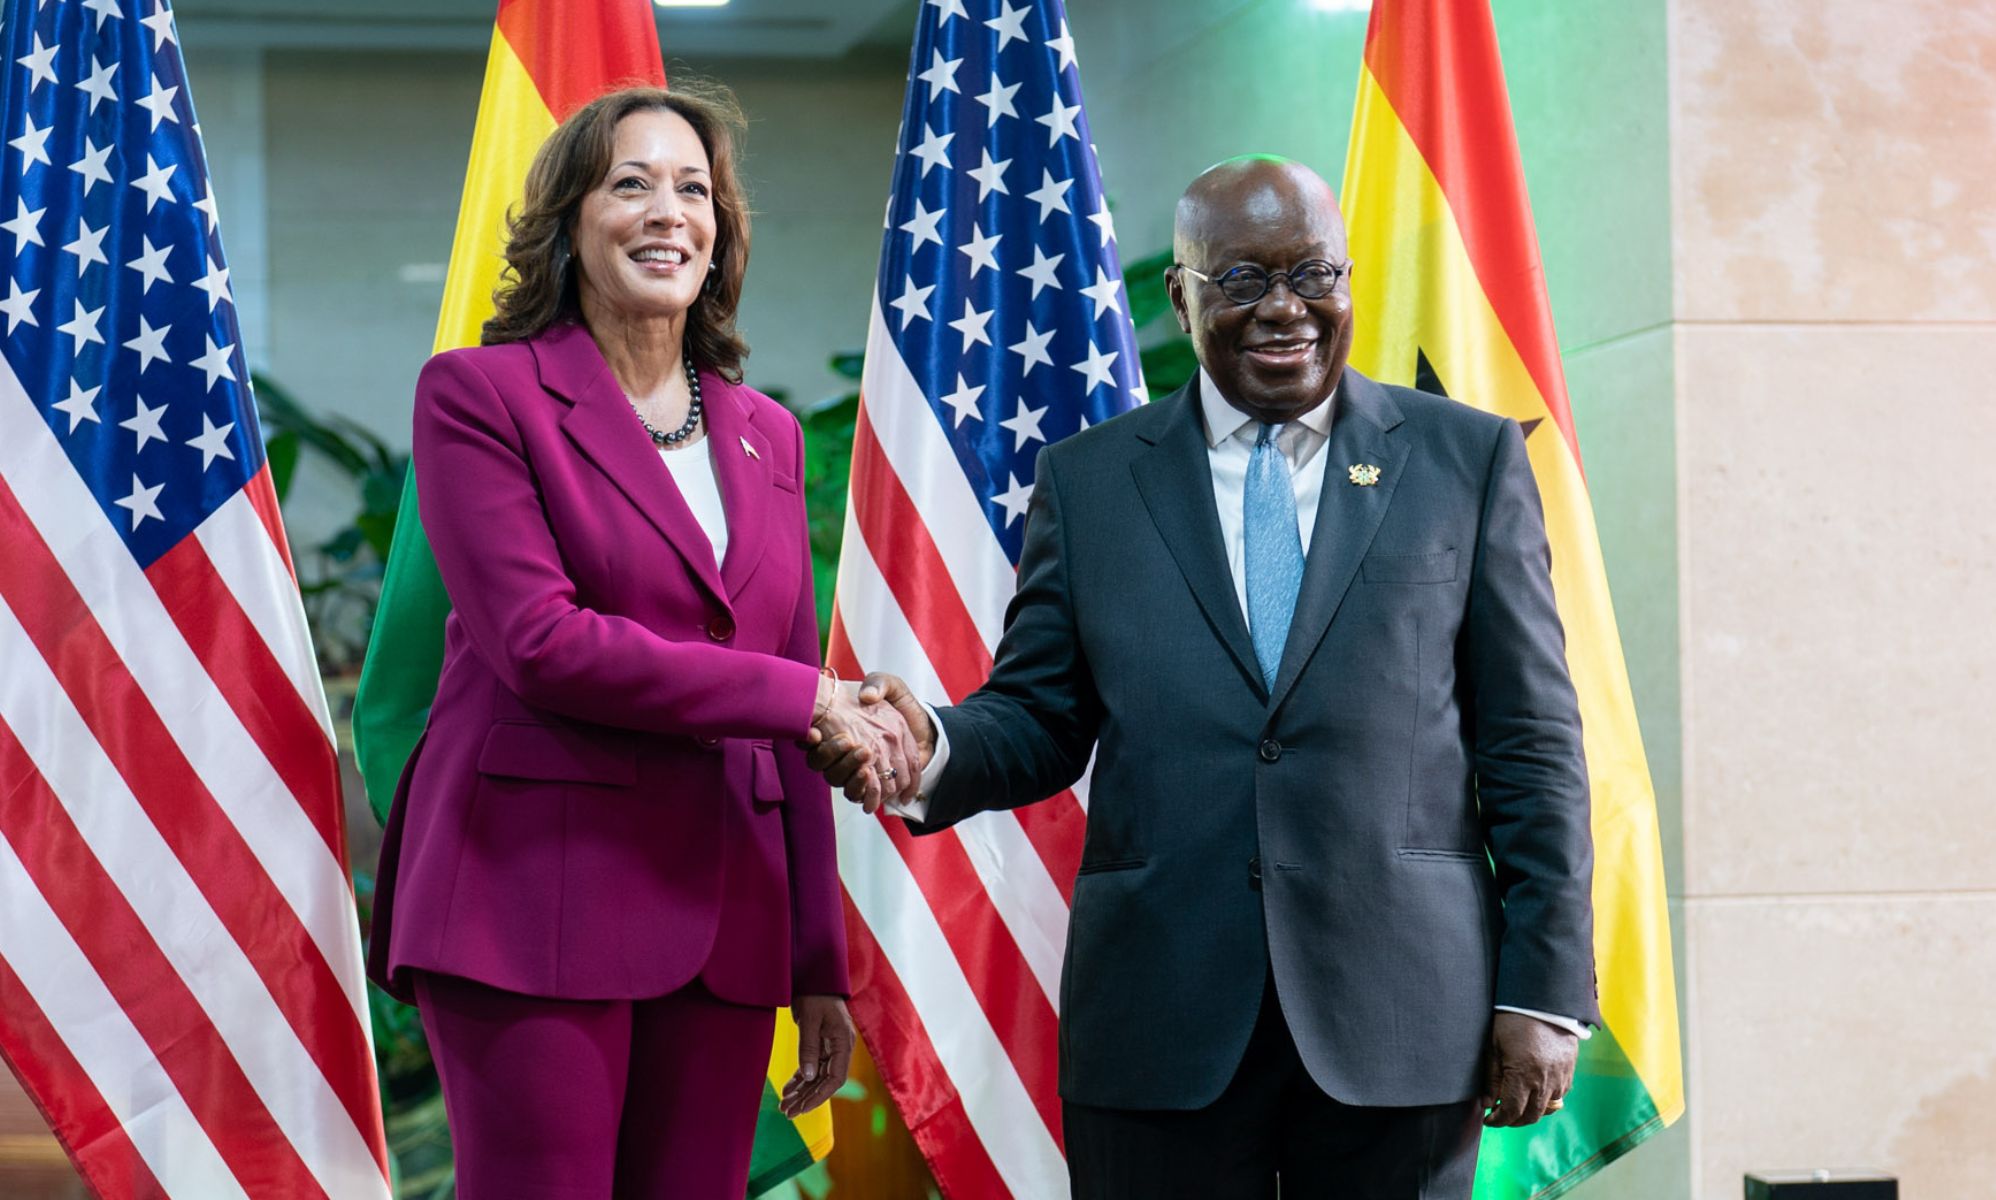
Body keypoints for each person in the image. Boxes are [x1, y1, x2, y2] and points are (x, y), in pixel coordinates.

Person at [813, 156, 1597, 1198]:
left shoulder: (1466, 462)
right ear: (1181, 298)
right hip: (1160, 1017)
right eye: (1240, 282)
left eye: (1313, 274)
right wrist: (935, 744)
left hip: (1399, 1011)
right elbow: (1042, 714)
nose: (1285, 309)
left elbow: (1530, 742)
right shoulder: (1090, 480)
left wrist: (1542, 993)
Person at [365, 83, 919, 1199]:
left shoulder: (764, 433)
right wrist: (802, 699)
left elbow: (794, 701)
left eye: (694, 189)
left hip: (725, 920)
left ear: (720, 234)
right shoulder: (479, 396)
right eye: (631, 184)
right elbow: (542, 643)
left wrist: (817, 959)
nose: (670, 211)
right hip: (529, 897)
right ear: (569, 219)